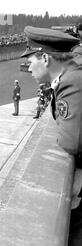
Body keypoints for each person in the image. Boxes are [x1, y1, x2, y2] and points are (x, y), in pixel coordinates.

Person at [21, 26, 82, 156]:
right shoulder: (71, 71)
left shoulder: (71, 81)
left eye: (30, 62)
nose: (29, 68)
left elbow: (70, 143)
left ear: (45, 58)